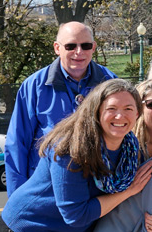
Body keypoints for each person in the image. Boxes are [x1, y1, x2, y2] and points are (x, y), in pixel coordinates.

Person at [0, 79, 152, 232]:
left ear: (137, 114)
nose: (120, 115)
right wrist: (128, 191)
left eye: (128, 108)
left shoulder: (131, 148)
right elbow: (76, 215)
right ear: (96, 111)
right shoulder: (71, 148)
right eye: (111, 108)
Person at [6, 21, 119, 195]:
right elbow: (17, 144)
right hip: (47, 190)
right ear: (57, 48)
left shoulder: (111, 83)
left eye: (86, 45)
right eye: (71, 46)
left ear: (94, 47)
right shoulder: (34, 86)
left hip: (97, 189)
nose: (79, 52)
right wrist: (17, 197)